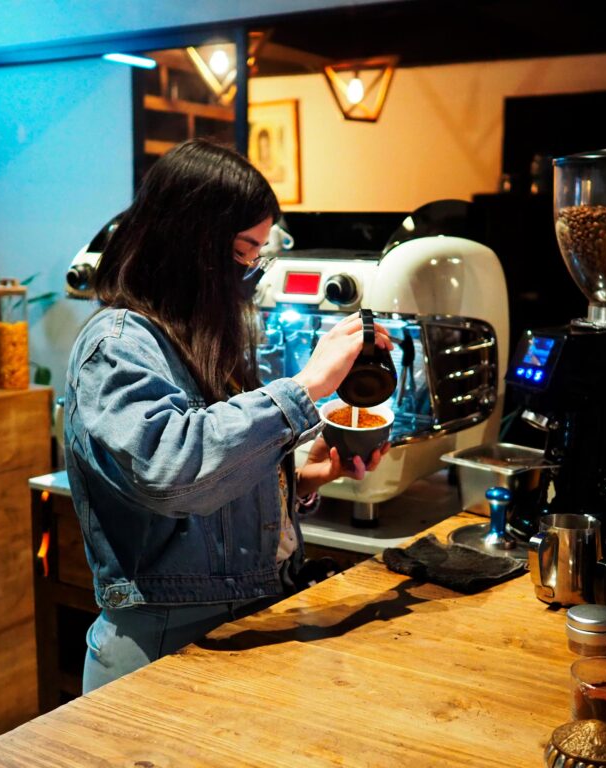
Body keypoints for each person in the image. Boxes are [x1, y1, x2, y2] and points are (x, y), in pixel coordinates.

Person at [64, 138, 392, 692]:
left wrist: (301, 479)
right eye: (242, 251)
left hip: (243, 626)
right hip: (163, 644)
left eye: (258, 253)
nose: (250, 272)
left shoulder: (198, 341)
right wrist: (308, 386)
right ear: (189, 241)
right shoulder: (118, 343)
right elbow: (172, 473)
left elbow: (214, 483)